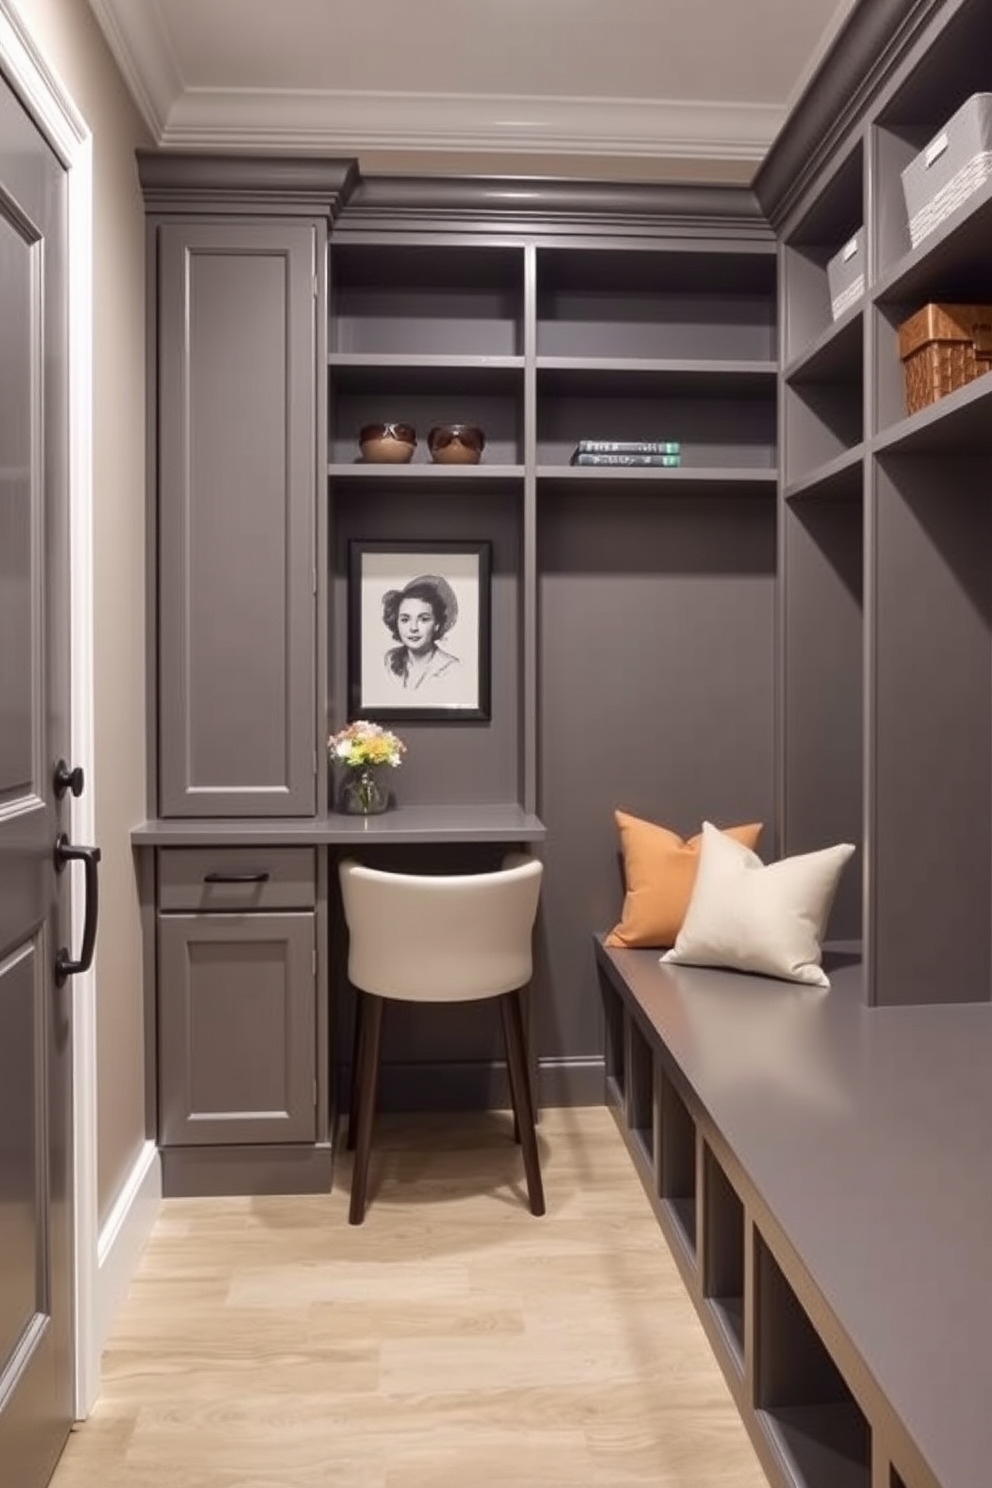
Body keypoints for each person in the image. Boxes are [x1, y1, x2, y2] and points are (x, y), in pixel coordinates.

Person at [381, 574, 462, 691]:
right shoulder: (389, 660)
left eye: (423, 619)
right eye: (405, 619)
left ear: (436, 625)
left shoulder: (452, 668)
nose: (413, 628)